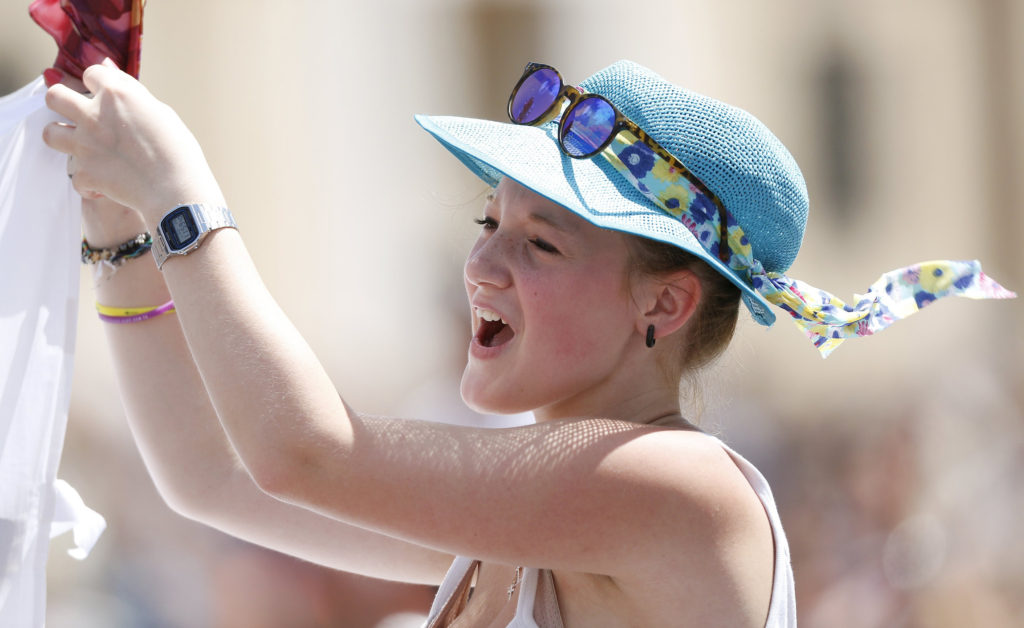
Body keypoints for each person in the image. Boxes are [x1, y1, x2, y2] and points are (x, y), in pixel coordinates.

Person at [41, 58, 1012, 627]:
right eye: (487, 226)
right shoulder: (543, 508)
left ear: (665, 307)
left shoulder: (676, 482)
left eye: (540, 241)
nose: (482, 269)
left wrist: (182, 200)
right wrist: (120, 228)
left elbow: (302, 452)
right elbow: (213, 476)